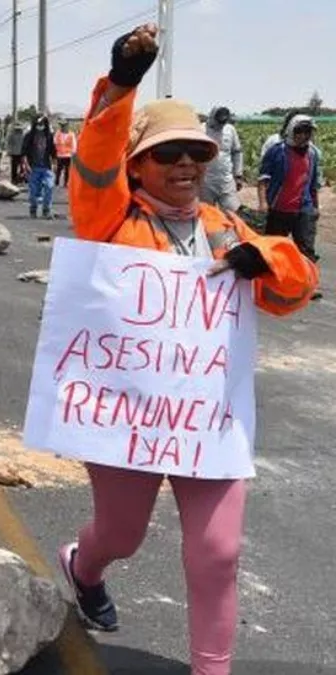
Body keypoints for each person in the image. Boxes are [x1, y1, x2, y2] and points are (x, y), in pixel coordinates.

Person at [65, 25, 317, 675]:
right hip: (127, 424)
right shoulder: (109, 221)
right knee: (121, 533)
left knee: (219, 551)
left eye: (194, 153)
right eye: (167, 151)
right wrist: (121, 84)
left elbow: (296, 289)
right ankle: (83, 565)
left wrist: (260, 257)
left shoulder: (224, 227)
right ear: (138, 163)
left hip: (207, 425)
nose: (184, 164)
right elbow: (93, 161)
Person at [259, 115, 323, 264]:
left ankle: (305, 285)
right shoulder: (277, 151)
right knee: (273, 249)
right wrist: (263, 203)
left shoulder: (312, 154)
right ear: (291, 131)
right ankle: (273, 283)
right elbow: (263, 180)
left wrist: (315, 206)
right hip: (279, 208)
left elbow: (313, 184)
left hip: (304, 209)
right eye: (299, 131)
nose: (304, 136)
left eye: (308, 132)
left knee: (306, 252)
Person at [201, 107, 244, 212]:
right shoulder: (200, 130)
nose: (220, 125)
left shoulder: (230, 130)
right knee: (206, 215)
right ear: (211, 118)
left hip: (226, 180)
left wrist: (238, 175)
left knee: (232, 213)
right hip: (205, 181)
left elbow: (237, 152)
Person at [22, 115, 57, 218]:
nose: (40, 126)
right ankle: (33, 209)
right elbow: (24, 152)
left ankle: (46, 209)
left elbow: (53, 152)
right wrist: (26, 164)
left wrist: (54, 164)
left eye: (42, 124)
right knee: (33, 191)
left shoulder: (49, 136)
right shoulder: (29, 136)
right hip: (33, 167)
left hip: (46, 167)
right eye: (38, 124)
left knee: (49, 187)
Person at [53, 120, 77, 187]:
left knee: (67, 170)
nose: (63, 127)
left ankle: (66, 183)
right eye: (61, 126)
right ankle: (56, 182)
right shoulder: (57, 134)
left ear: (67, 126)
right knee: (58, 170)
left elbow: (74, 145)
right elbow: (54, 143)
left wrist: (74, 154)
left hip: (68, 155)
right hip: (59, 155)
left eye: (64, 126)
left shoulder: (71, 134)